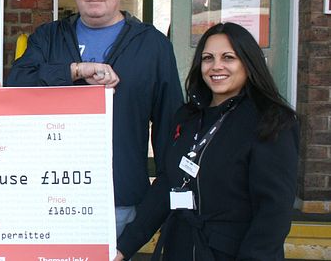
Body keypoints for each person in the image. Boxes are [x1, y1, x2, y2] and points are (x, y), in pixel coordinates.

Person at [6, 0, 183, 236]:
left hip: (119, 201)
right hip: (50, 197)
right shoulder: (49, 37)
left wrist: (165, 199)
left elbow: (169, 128)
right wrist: (75, 70)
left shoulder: (153, 46)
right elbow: (16, 84)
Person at [115, 22, 299, 260]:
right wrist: (123, 247)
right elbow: (168, 184)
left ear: (248, 62)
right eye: (208, 58)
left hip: (231, 252)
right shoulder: (187, 117)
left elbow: (273, 212)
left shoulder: (272, 121)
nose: (216, 66)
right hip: (180, 248)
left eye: (228, 57)